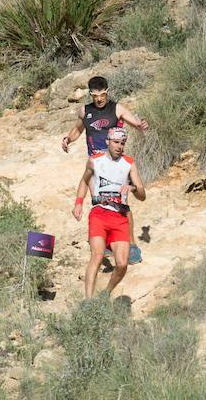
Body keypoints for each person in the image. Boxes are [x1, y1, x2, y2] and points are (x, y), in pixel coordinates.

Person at [60, 76, 148, 260]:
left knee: (121, 203)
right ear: (90, 94)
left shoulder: (116, 108)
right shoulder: (85, 111)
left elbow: (135, 122)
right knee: (99, 202)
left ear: (107, 92)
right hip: (96, 163)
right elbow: (77, 129)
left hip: (115, 162)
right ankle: (107, 242)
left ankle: (131, 245)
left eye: (102, 94)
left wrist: (141, 125)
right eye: (95, 95)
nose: (99, 99)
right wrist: (68, 139)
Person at [71, 127, 146, 299]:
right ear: (107, 142)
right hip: (99, 213)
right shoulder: (94, 160)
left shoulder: (129, 163)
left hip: (120, 217)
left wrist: (133, 187)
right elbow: (84, 181)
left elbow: (142, 195)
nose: (119, 146)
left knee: (122, 264)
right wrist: (78, 203)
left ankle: (106, 293)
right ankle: (88, 301)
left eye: (122, 143)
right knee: (97, 256)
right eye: (116, 142)